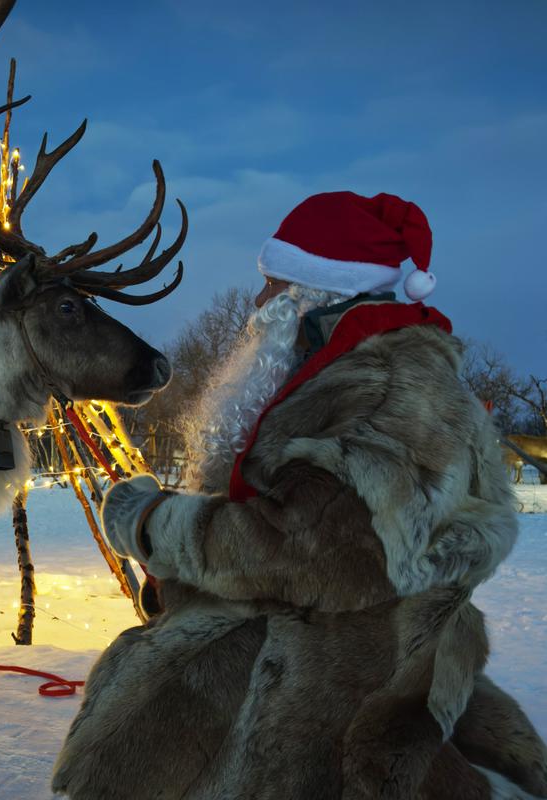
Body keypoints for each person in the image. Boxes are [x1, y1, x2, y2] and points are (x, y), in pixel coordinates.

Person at [51, 191, 546, 799]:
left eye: (271, 283)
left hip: (325, 683)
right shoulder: (343, 370)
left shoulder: (385, 388)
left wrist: (156, 525)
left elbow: (321, 553)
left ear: (314, 292)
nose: (258, 302)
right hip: (346, 654)